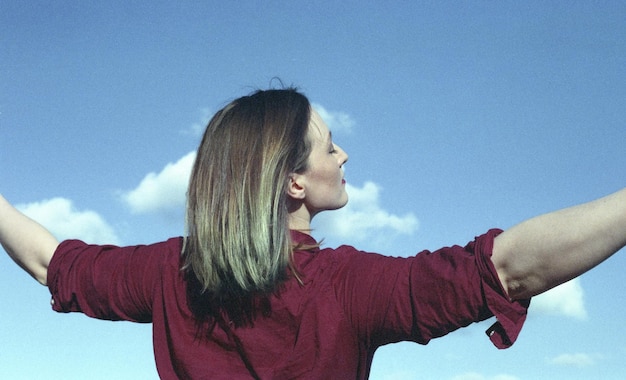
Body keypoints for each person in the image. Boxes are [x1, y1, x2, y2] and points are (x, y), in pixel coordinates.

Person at [1, 88, 625, 379]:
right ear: (295, 183)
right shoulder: (345, 288)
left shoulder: (170, 273)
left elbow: (48, 262)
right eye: (330, 146)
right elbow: (507, 268)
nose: (345, 155)